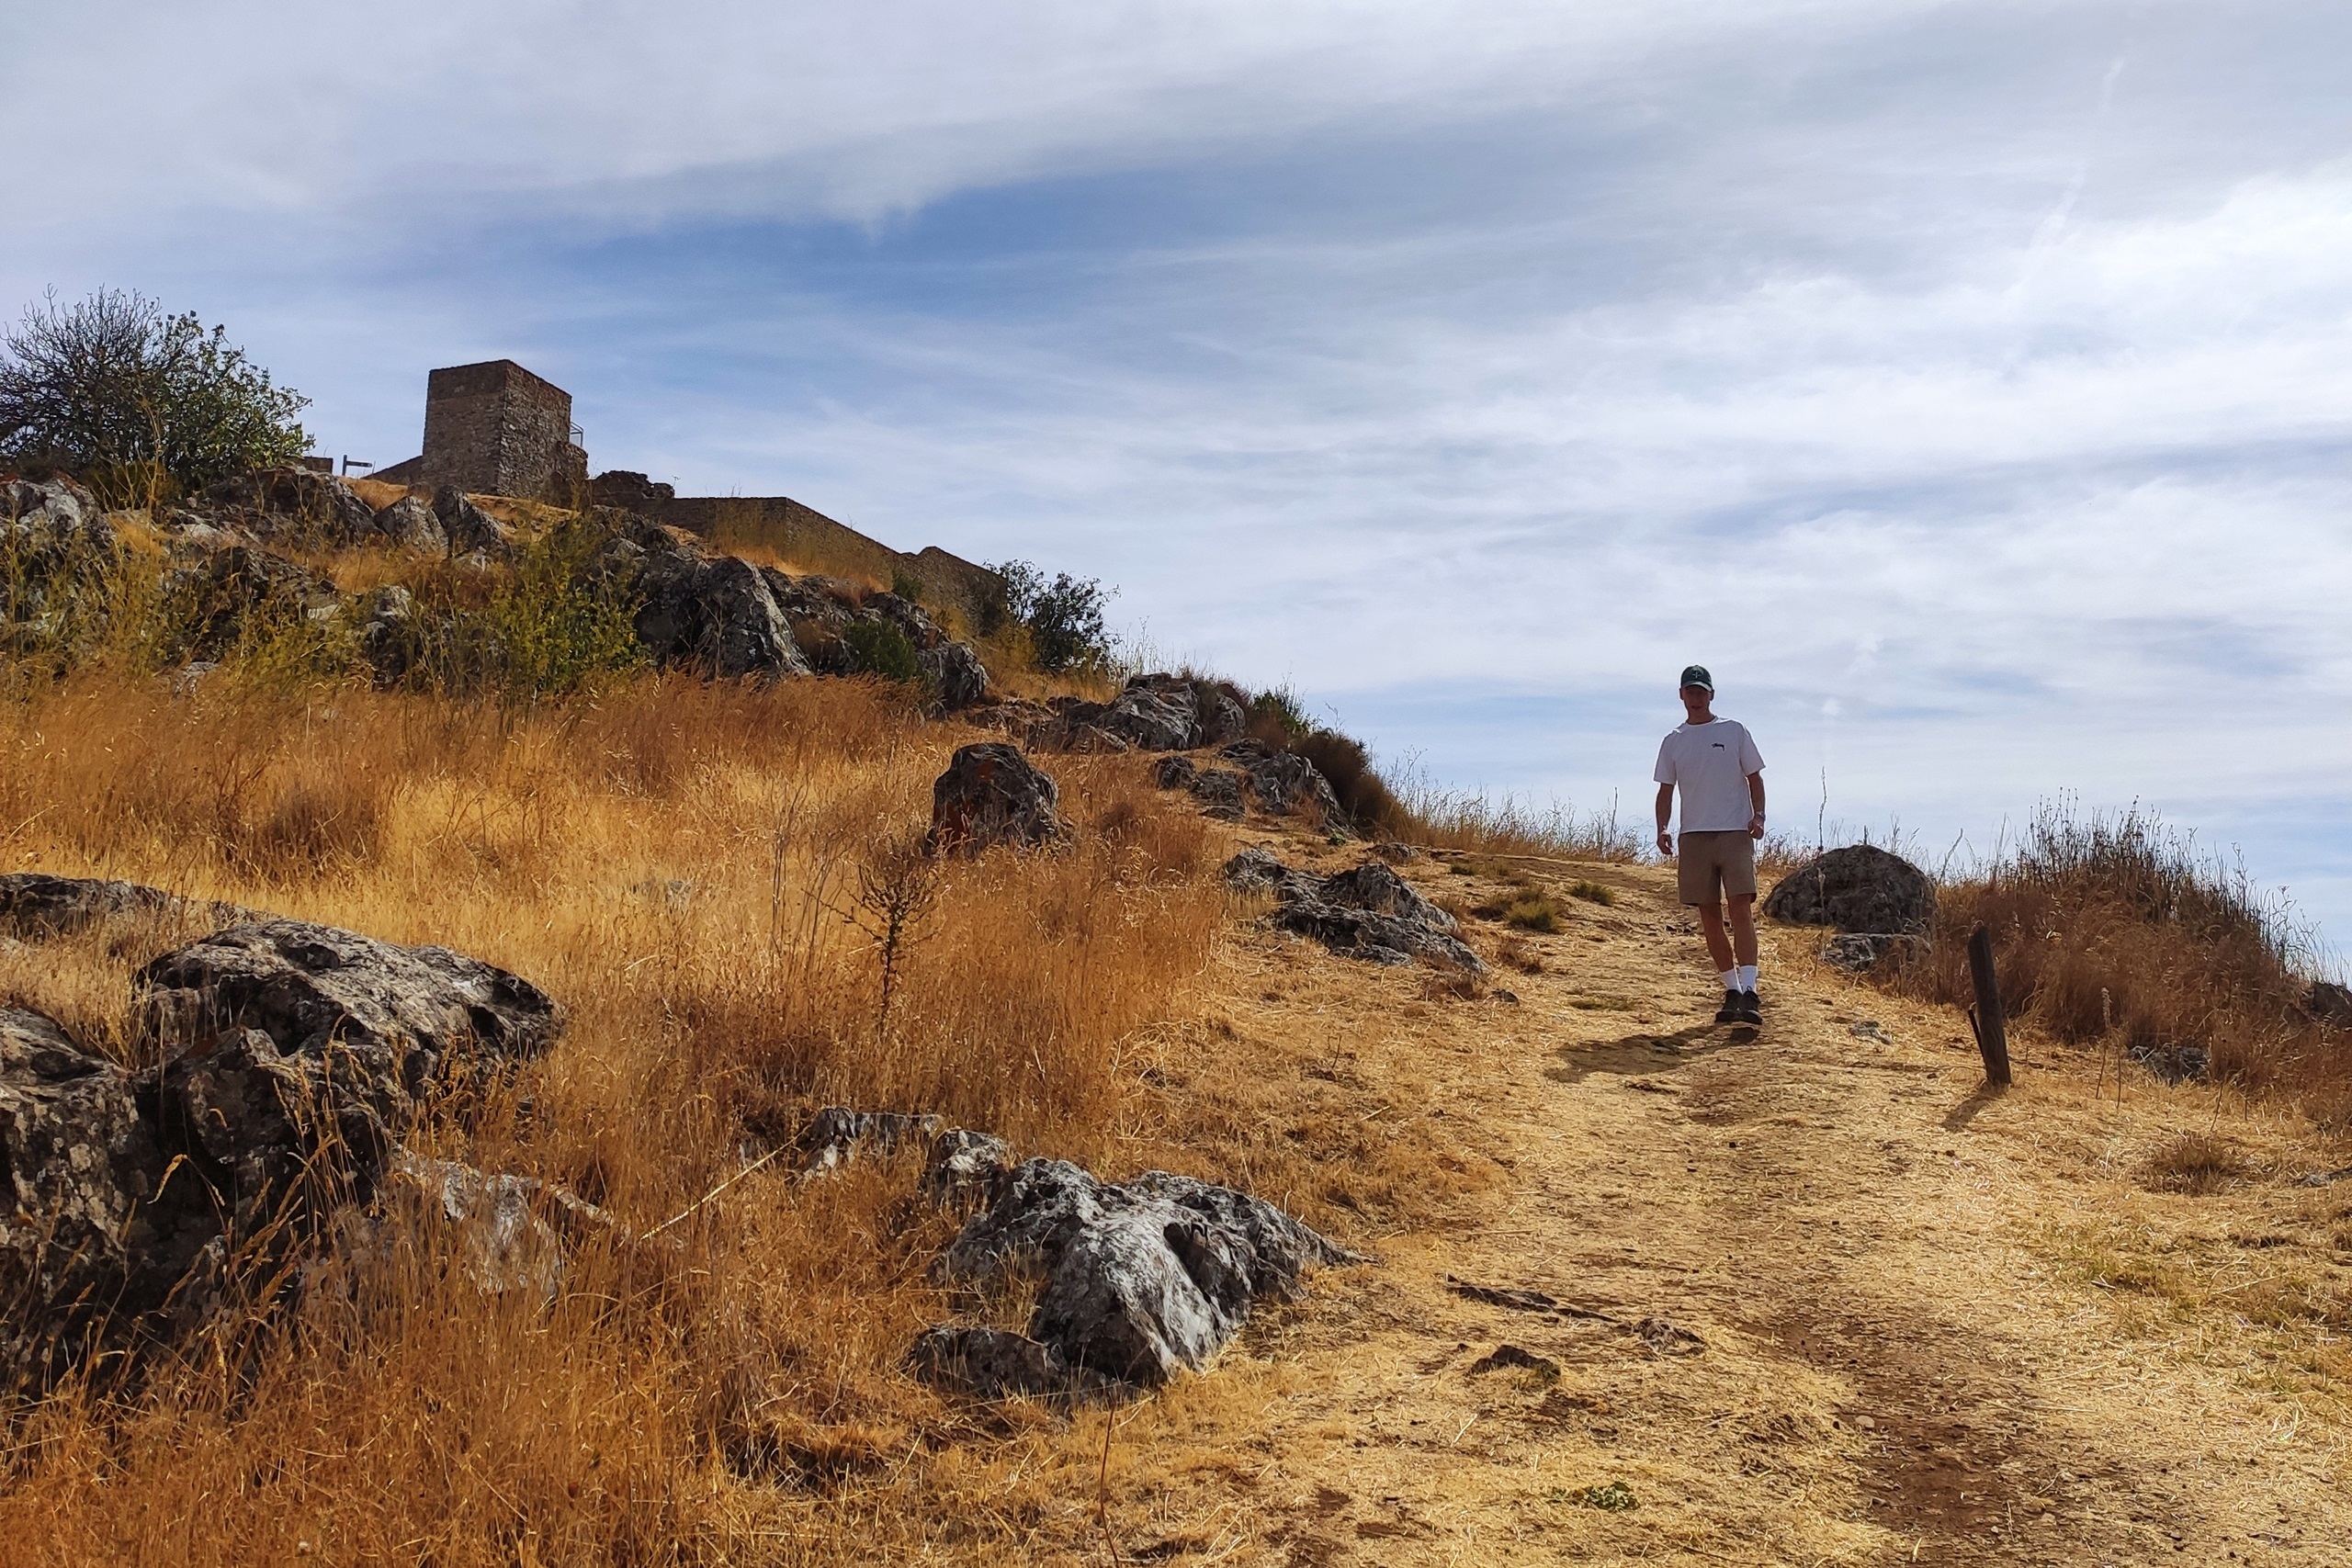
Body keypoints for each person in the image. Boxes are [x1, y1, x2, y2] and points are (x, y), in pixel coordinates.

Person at [1652, 665, 1767, 1025]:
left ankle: (1750, 990)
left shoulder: (1733, 731)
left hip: (1734, 831)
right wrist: (1662, 828)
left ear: (1711, 695)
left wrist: (1759, 816)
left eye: (1702, 691)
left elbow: (1755, 778)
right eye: (1691, 691)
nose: (1697, 697)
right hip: (1694, 836)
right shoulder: (1674, 740)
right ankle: (1730, 988)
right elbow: (1665, 790)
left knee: (1740, 908)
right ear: (1681, 695)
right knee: (1709, 914)